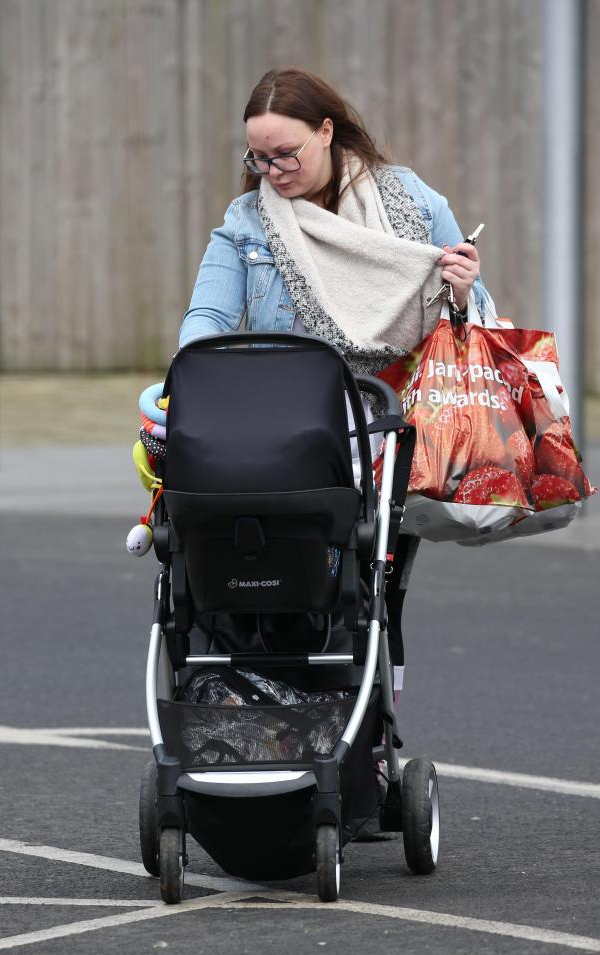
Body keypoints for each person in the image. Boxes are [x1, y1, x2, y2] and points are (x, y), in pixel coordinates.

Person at [179, 67, 489, 695]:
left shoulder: (412, 203)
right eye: (258, 158)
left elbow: (477, 319)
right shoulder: (248, 222)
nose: (272, 171)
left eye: (285, 154)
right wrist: (184, 385)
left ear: (326, 131)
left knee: (367, 590)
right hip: (277, 433)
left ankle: (365, 712)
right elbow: (208, 318)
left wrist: (462, 290)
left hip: (381, 430)